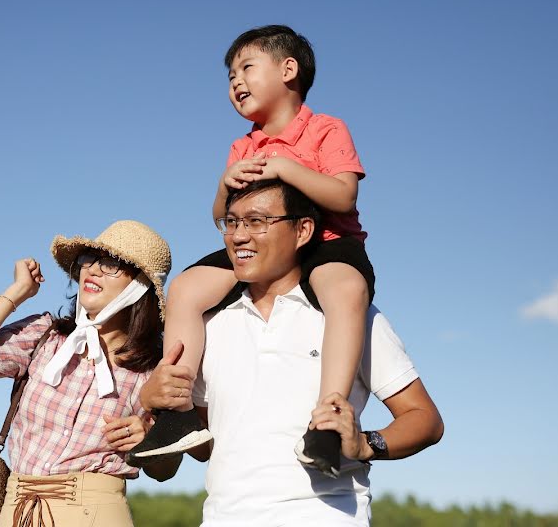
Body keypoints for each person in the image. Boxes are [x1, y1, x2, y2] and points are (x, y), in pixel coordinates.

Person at [131, 25, 375, 478]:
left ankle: (328, 416)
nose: (234, 82)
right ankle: (178, 408)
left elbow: (344, 197)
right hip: (259, 246)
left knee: (344, 290)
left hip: (326, 244)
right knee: (187, 287)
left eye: (245, 67)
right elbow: (220, 215)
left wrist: (287, 168)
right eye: (229, 76)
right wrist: (225, 184)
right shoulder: (242, 145)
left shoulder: (325, 129)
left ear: (288, 70)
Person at [139, 179, 443, 526]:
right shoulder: (207, 323)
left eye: (257, 221)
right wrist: (153, 403)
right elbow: (207, 446)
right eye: (232, 222)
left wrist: (365, 443)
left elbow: (425, 419)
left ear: (303, 230)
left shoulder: (350, 316)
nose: (238, 235)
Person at [0, 220, 181, 527]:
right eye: (89, 259)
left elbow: (166, 470)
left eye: (111, 264)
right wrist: (17, 293)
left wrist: (148, 440)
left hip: (96, 513)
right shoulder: (44, 335)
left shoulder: (154, 368)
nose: (92, 270)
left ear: (140, 285)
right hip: (16, 511)